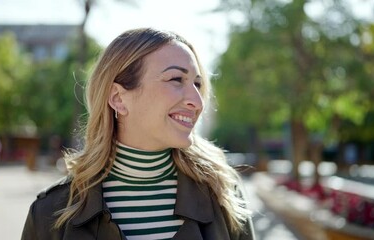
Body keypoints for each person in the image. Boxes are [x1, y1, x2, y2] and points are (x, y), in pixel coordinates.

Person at [21, 28, 255, 240]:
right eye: (176, 79)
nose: (196, 101)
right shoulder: (49, 214)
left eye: (197, 84)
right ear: (118, 98)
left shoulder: (224, 194)